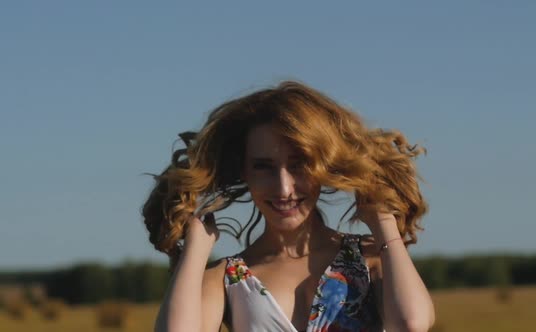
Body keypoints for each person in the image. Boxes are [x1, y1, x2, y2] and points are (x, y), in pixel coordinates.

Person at [142, 81, 435, 332]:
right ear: (243, 171)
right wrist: (195, 252)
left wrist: (383, 225)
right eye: (263, 167)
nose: (284, 188)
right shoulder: (227, 278)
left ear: (324, 167)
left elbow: (411, 323)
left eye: (299, 166)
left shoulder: (370, 258)